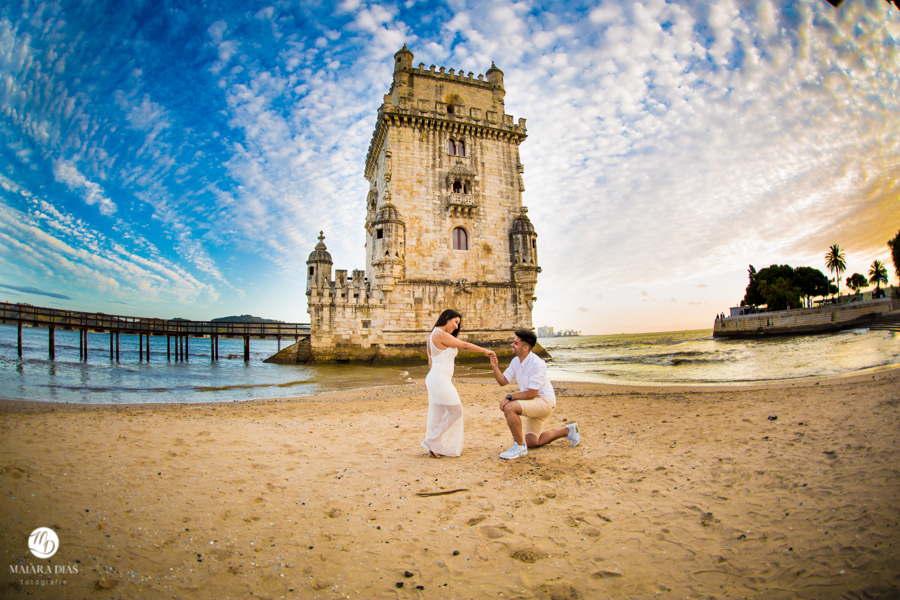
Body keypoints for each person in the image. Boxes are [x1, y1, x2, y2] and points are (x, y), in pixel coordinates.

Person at [489, 330, 580, 459]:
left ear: (525, 347)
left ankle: (519, 447)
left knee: (510, 407)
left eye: (515, 343)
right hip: (533, 403)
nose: (512, 345)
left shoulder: (537, 364)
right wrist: (495, 367)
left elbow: (531, 394)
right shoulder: (516, 361)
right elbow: (503, 381)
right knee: (532, 442)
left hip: (544, 402)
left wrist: (509, 397)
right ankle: (569, 430)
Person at [422, 310, 497, 458]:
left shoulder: (433, 335)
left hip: (436, 378)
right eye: (455, 322)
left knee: (438, 413)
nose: (456, 326)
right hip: (439, 379)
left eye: (458, 324)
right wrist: (485, 351)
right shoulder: (439, 334)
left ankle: (436, 445)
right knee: (456, 411)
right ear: (446, 318)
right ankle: (432, 441)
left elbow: (431, 362)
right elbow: (465, 346)